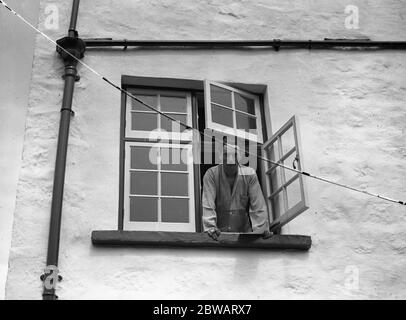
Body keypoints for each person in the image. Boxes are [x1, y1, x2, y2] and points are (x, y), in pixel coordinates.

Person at [202, 142, 273, 240]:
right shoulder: (211, 175)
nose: (230, 159)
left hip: (244, 236)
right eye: (226, 154)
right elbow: (208, 204)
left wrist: (261, 229)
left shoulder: (249, 174)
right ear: (220, 157)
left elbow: (258, 205)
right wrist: (210, 227)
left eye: (234, 155)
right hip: (218, 235)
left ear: (239, 158)